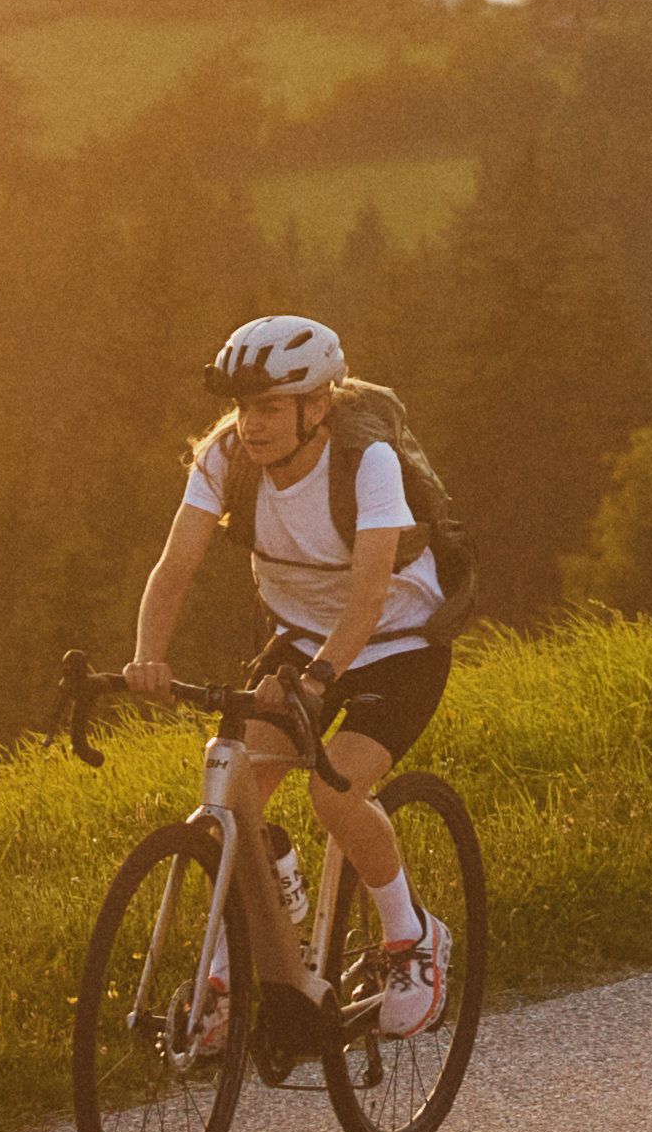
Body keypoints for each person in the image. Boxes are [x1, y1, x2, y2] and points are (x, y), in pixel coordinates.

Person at [123, 312, 455, 1060]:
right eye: (244, 408)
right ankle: (225, 978)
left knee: (334, 793)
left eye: (270, 407)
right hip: (299, 644)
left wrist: (319, 680)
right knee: (231, 790)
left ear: (319, 406)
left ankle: (411, 937)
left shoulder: (366, 461)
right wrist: (147, 653)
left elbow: (369, 597)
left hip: (394, 648)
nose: (252, 424)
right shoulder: (223, 457)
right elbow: (173, 569)